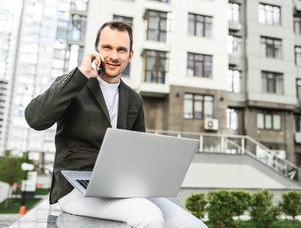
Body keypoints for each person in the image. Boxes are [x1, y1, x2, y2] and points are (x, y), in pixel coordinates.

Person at [25, 20, 207, 228]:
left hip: (120, 186)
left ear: (130, 56)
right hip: (75, 189)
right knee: (148, 216)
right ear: (97, 50)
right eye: (107, 48)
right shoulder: (75, 83)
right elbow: (35, 119)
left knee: (194, 225)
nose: (113, 56)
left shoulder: (134, 99)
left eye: (121, 50)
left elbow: (139, 153)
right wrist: (81, 75)